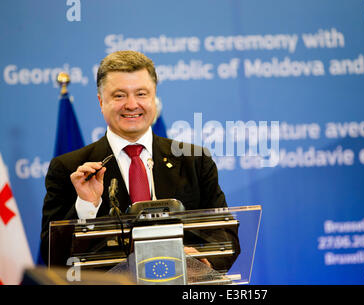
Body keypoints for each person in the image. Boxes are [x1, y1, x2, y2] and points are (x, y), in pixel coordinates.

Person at [40, 50, 229, 265]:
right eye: (119, 95)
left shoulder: (194, 160)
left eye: (141, 94)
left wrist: (204, 260)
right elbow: (52, 255)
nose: (131, 105)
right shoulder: (69, 168)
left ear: (154, 97)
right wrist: (86, 205)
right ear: (101, 102)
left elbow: (224, 234)